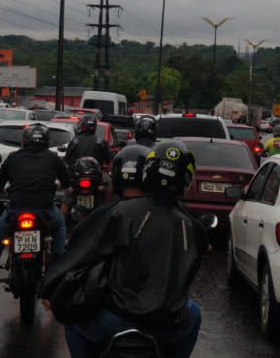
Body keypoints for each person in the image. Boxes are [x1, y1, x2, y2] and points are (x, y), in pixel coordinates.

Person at [45, 139, 209, 358]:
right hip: (167, 324)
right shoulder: (190, 225)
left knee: (73, 319)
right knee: (194, 312)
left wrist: (50, 287)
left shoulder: (120, 212)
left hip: (114, 319)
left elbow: (81, 254)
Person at [0, 122, 70, 308]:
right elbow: (66, 182)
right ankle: (58, 269)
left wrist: (0, 190)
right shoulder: (53, 159)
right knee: (61, 227)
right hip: (45, 212)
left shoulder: (13, 158)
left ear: (24, 141)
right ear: (47, 141)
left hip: (15, 211)